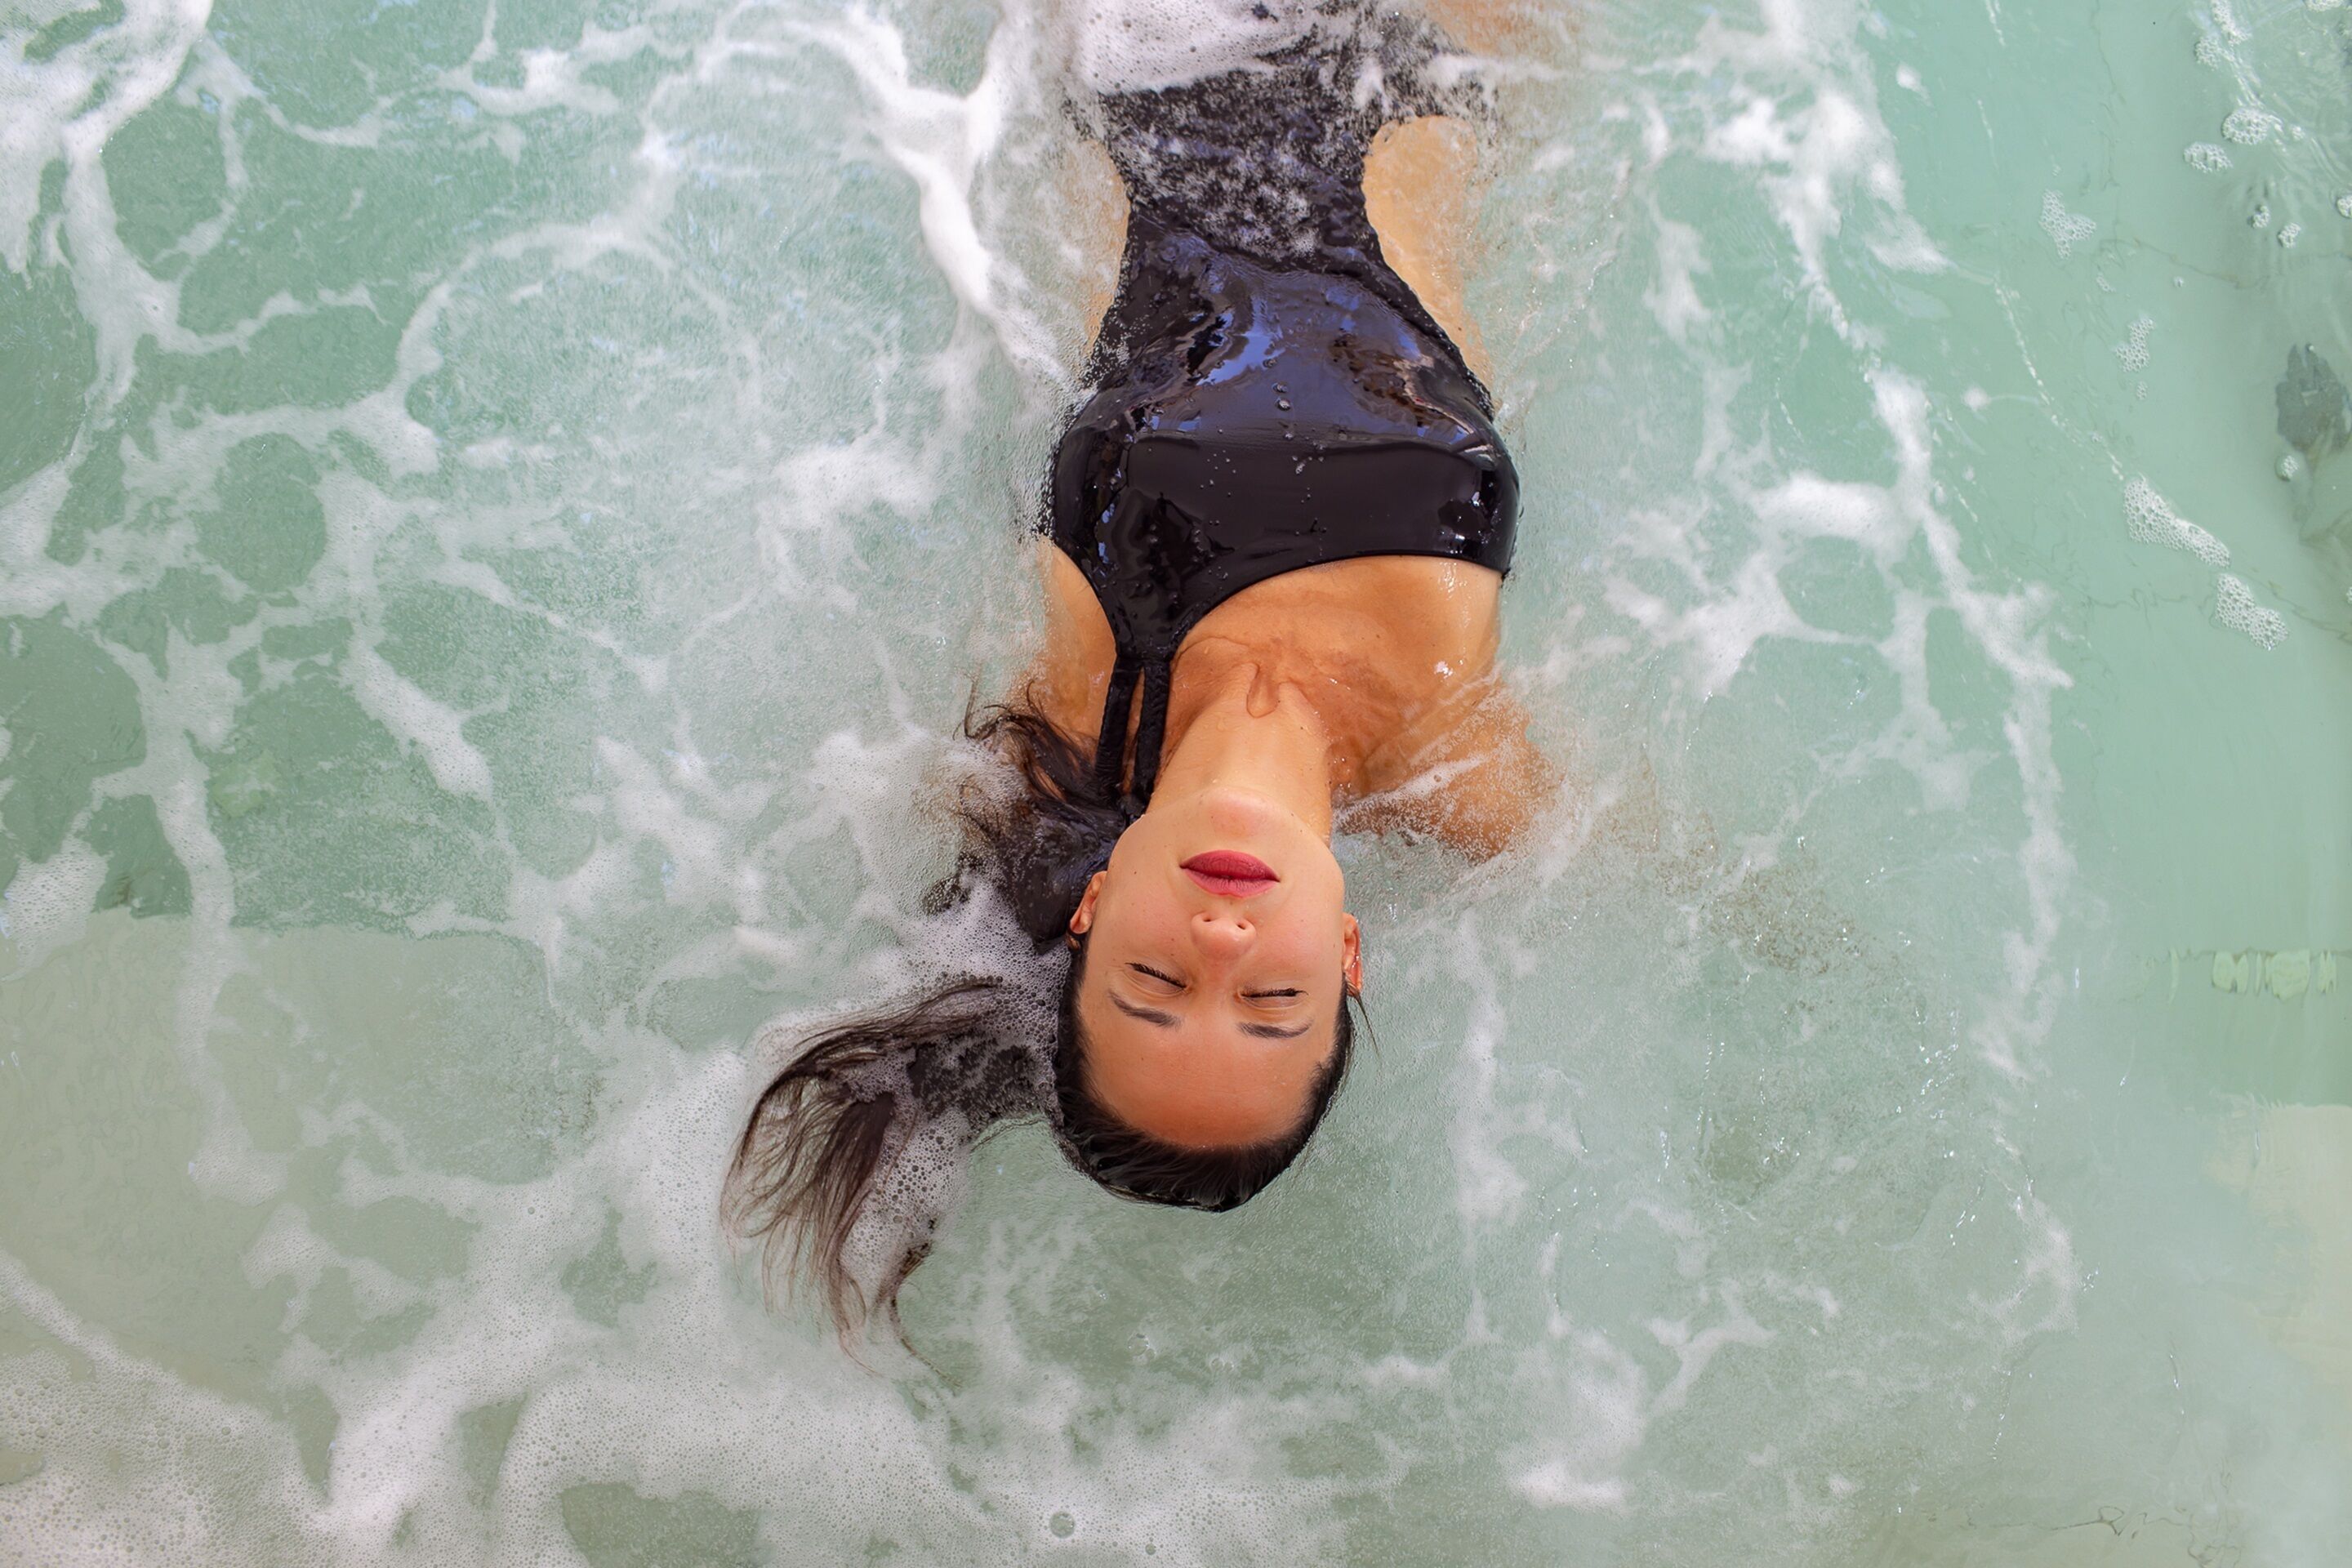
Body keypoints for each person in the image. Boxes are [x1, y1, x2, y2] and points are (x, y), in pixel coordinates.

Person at [726, 0, 1554, 1345]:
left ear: (1098, 908)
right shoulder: (1458, 762)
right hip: (1422, 46)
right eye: (1272, 1003)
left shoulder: (1065, 716)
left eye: (1155, 987)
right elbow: (1716, 867)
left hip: (1140, 53)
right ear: (1347, 956)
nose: (1221, 948)